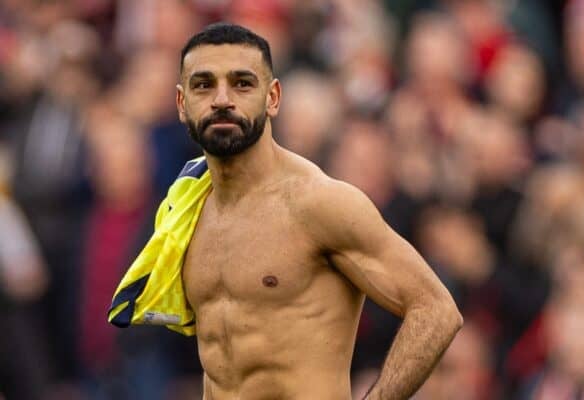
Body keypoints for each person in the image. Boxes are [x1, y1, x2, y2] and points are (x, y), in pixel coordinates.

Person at [115, 22, 463, 400]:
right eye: (203, 85)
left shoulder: (317, 203)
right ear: (182, 104)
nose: (221, 99)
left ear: (273, 97)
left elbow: (437, 311)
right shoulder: (186, 210)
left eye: (242, 83)